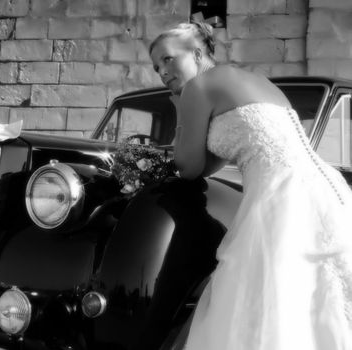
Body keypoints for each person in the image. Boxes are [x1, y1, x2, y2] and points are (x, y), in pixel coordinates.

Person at [149, 20, 352, 349]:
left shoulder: (198, 88)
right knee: (315, 296)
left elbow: (187, 168)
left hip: (280, 196)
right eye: (156, 66)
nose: (162, 71)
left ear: (197, 53)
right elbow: (211, 160)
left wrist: (179, 114)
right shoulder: (251, 79)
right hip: (324, 187)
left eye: (169, 59)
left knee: (270, 298)